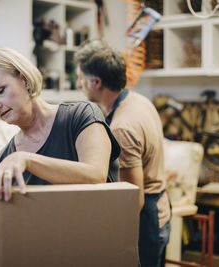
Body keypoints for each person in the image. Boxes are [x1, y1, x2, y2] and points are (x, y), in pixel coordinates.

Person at [0, 47, 120, 202]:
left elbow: (96, 176)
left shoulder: (80, 116)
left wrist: (28, 161)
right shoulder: (6, 159)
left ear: (25, 81)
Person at [74, 39, 171, 267]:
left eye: (80, 78)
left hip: (147, 217)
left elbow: (133, 199)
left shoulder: (122, 127)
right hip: (161, 207)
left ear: (96, 82)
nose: (78, 83)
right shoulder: (139, 101)